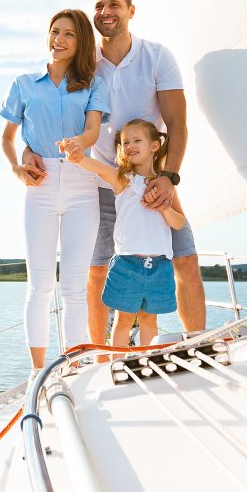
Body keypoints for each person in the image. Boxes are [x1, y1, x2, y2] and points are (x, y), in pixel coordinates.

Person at [26, 0, 207, 344]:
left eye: (113, 5)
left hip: (153, 180)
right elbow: (48, 114)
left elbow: (177, 123)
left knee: (185, 260)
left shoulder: (157, 57)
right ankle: (100, 354)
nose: (105, 12)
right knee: (95, 272)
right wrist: (29, 151)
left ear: (130, 11)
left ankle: (199, 342)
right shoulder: (83, 65)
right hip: (99, 184)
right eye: (99, 6)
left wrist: (168, 177)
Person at [0, 9, 109, 368]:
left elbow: (93, 132)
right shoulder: (24, 83)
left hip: (81, 184)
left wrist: (78, 143)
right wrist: (17, 166)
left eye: (68, 35)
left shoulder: (93, 84)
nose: (58, 40)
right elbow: (7, 137)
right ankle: (38, 372)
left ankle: (73, 367)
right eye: (54, 32)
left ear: (81, 43)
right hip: (40, 186)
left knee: (75, 287)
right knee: (40, 285)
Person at [66, 119, 185, 346]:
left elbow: (178, 223)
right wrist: (78, 157)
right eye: (125, 142)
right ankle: (118, 362)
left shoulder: (165, 186)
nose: (130, 145)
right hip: (126, 264)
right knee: (124, 319)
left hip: (159, 265)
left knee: (150, 320)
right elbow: (99, 168)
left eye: (137, 140)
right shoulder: (123, 180)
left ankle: (147, 362)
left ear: (154, 146)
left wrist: (164, 207)